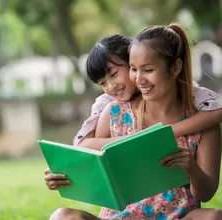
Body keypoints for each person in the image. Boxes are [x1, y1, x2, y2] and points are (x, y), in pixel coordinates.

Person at [45, 24, 222, 219]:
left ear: (175, 68)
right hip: (120, 217)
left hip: (178, 215)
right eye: (133, 69)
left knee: (214, 216)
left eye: (147, 70)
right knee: (62, 216)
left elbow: (206, 193)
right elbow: (92, 163)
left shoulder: (203, 122)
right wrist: (64, 176)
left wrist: (192, 169)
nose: (139, 79)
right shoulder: (113, 113)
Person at [73, 35, 222, 149]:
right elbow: (84, 145)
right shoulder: (107, 104)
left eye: (113, 75)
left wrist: (166, 132)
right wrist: (135, 139)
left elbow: (216, 112)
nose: (111, 86)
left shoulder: (174, 90)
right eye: (103, 83)